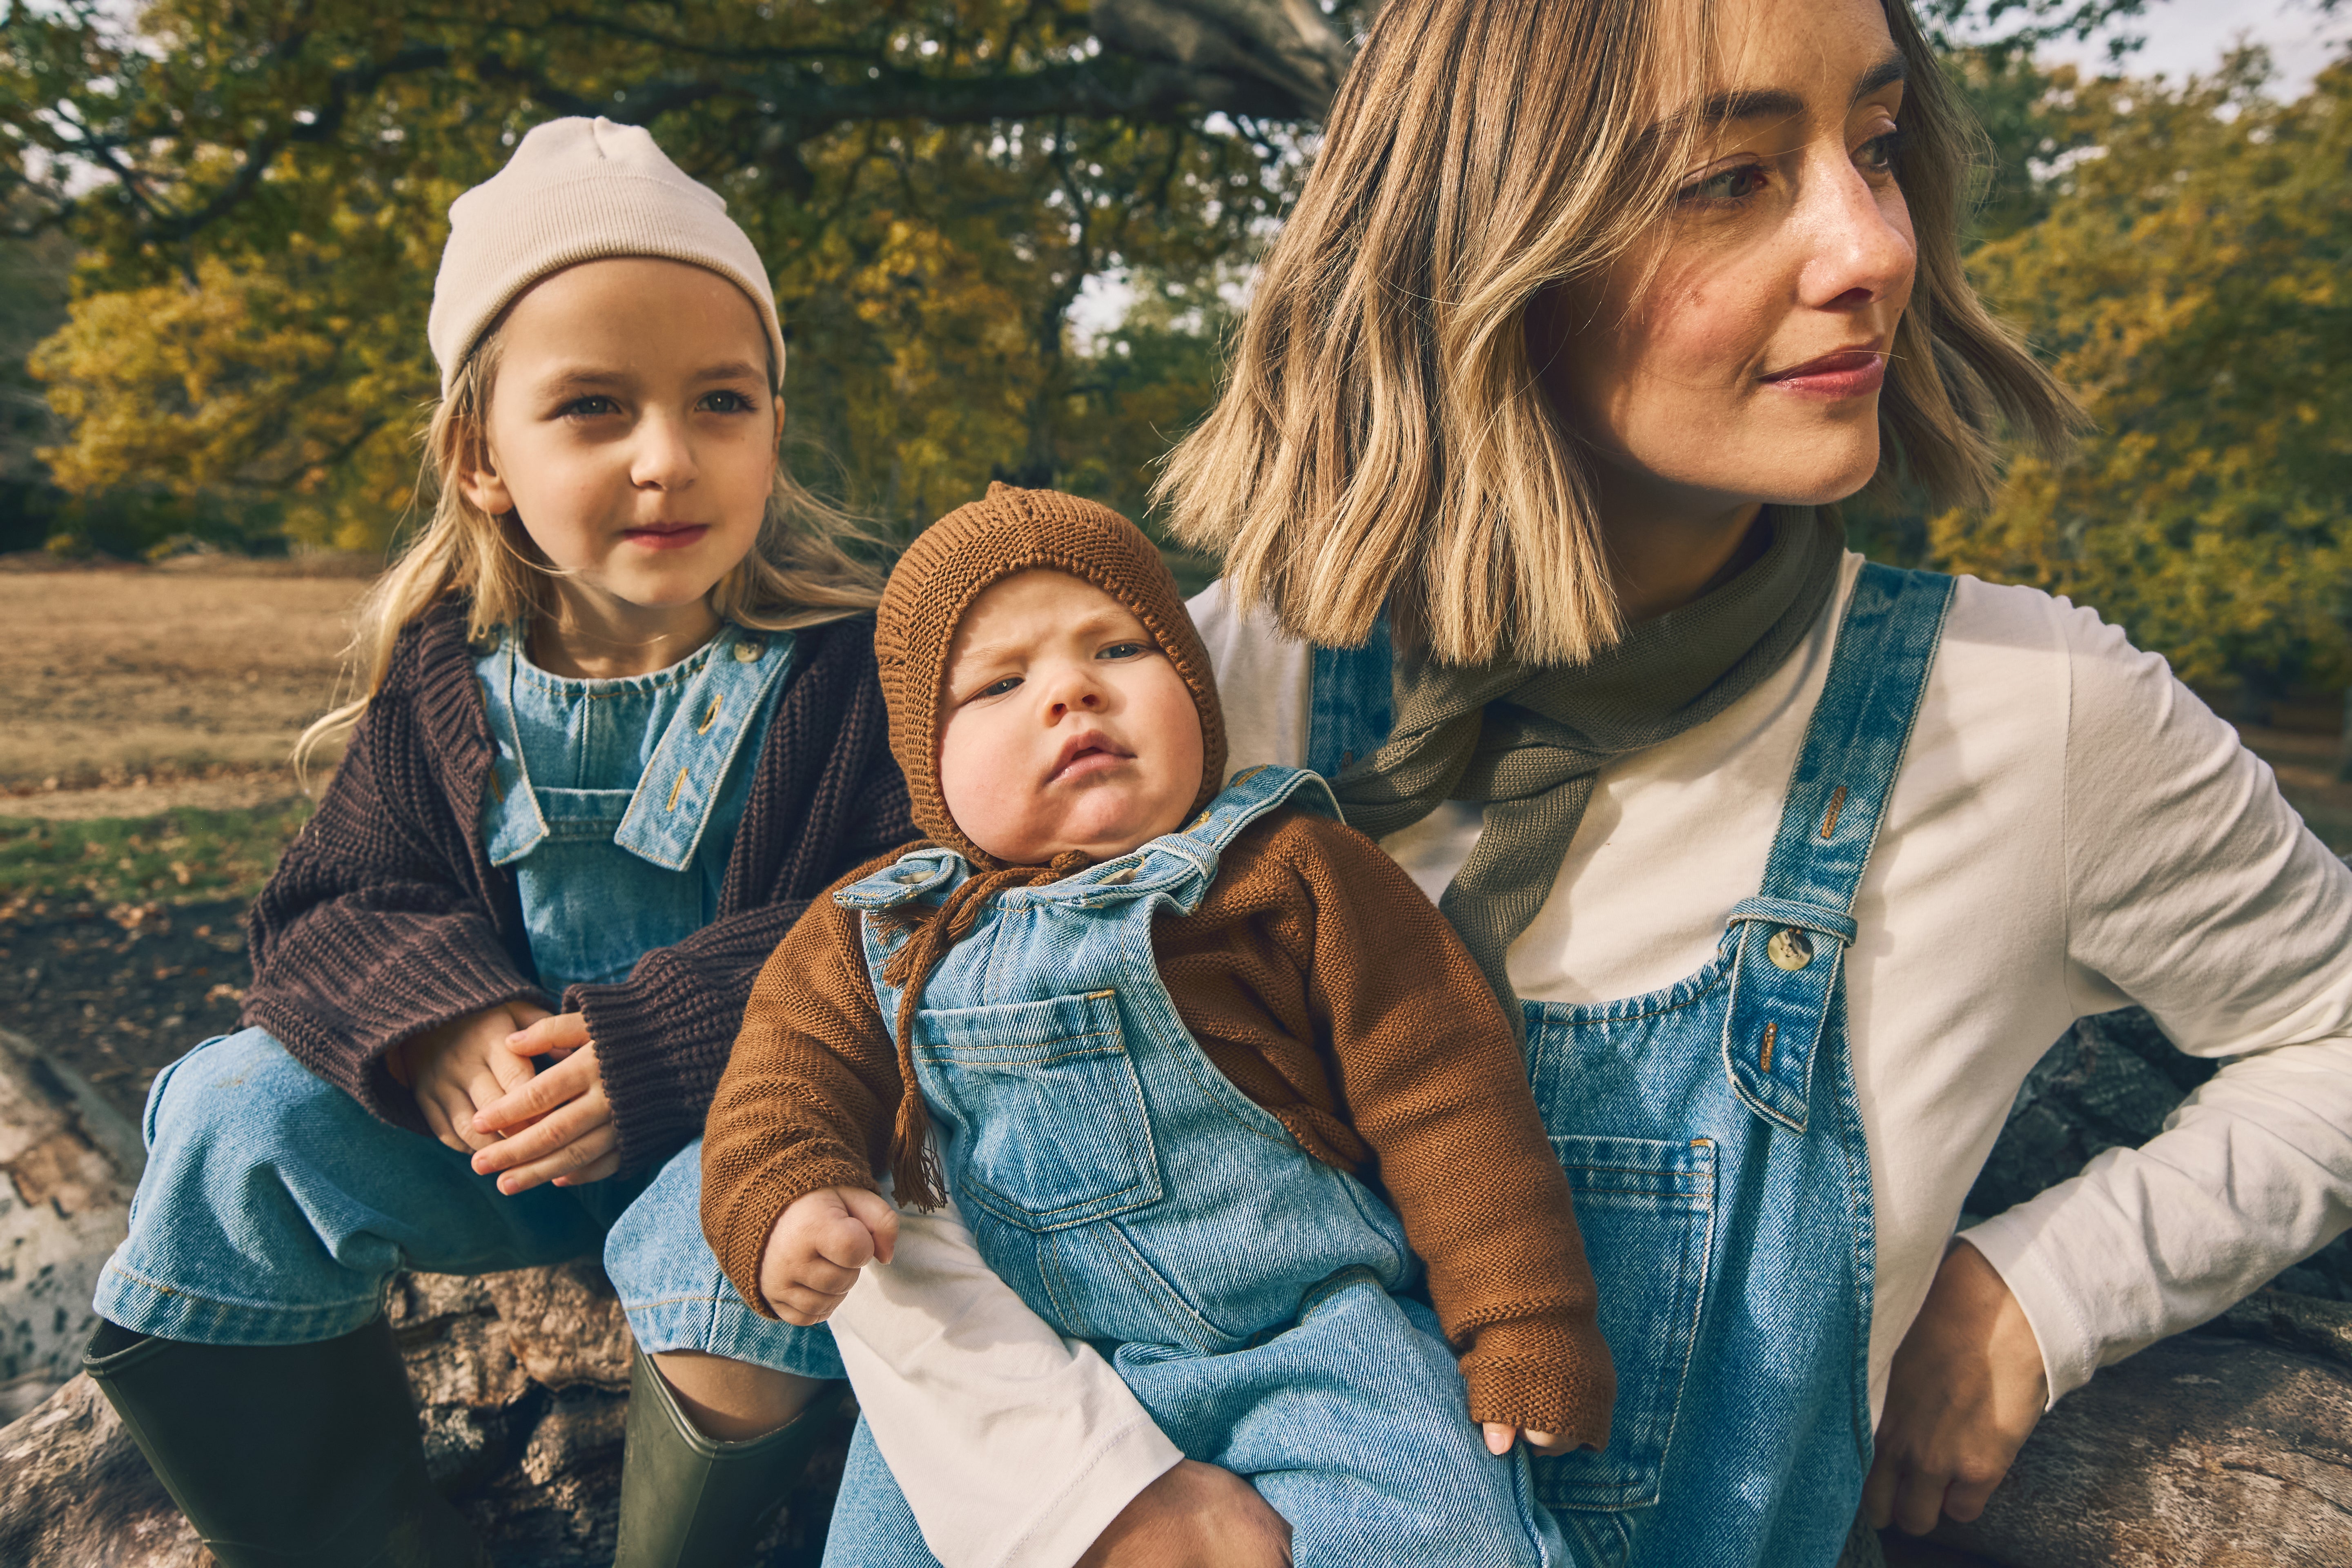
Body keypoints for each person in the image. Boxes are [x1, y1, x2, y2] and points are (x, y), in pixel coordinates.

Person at [786, 3, 2352, 1567]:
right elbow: (902, 1098)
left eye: (1877, 148)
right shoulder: (1204, 699)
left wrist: (2043, 1293)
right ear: (1484, 249)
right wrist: (1086, 1498)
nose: (1874, 244)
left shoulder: (2037, 720)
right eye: (1730, 176)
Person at [79, 117, 913, 1568]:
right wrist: (439, 1020)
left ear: (774, 423)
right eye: (595, 407)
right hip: (502, 1148)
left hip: (743, 1133)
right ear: (480, 456)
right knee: (230, 1118)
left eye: (723, 401)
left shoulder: (853, 669)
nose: (669, 457)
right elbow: (332, 904)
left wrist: (675, 1034)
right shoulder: (444, 675)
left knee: (768, 1204)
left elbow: (916, 898)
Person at [699, 485, 1614, 1566]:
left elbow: (1448, 1095)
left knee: (1441, 1531)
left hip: (1307, 1344)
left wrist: (1523, 1321)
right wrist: (785, 1197)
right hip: (1034, 1370)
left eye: (1121, 650)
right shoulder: (881, 924)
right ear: (923, 762)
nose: (1071, 693)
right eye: (1000, 681)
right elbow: (778, 1084)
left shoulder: (1286, 870)